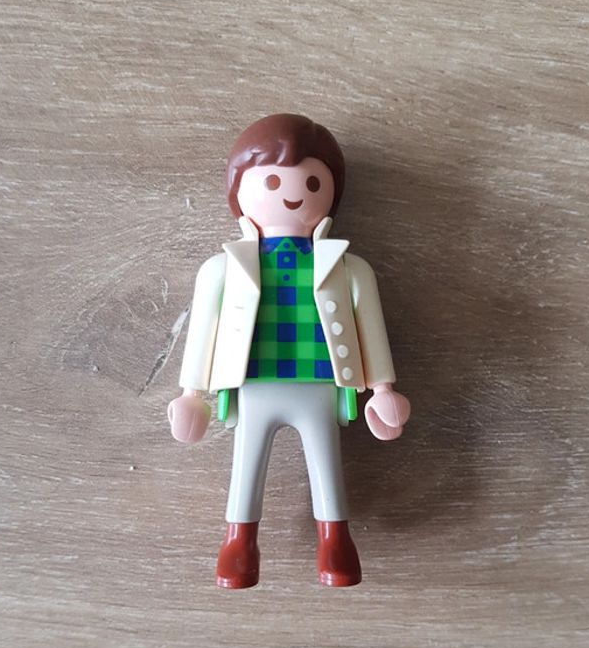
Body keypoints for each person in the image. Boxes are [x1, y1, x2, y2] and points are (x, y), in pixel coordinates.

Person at [168, 114, 410, 588]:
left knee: (326, 462)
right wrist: (191, 393)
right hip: (253, 382)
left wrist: (383, 388)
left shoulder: (350, 268)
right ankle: (239, 542)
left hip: (320, 381)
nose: (294, 194)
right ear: (238, 190)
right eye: (273, 181)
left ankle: (335, 540)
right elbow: (202, 332)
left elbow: (370, 329)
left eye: (313, 182)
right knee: (246, 463)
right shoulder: (221, 268)